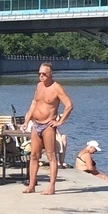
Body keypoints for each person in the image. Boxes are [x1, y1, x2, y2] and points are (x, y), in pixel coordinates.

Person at [21, 62, 73, 195]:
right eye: (39, 73)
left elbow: (69, 105)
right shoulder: (39, 86)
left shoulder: (57, 88)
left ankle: (51, 187)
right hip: (35, 124)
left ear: (50, 74)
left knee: (51, 156)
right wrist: (26, 121)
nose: (41, 76)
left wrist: (60, 122)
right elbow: (34, 103)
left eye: (44, 74)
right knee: (33, 155)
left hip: (48, 126)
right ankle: (32, 185)